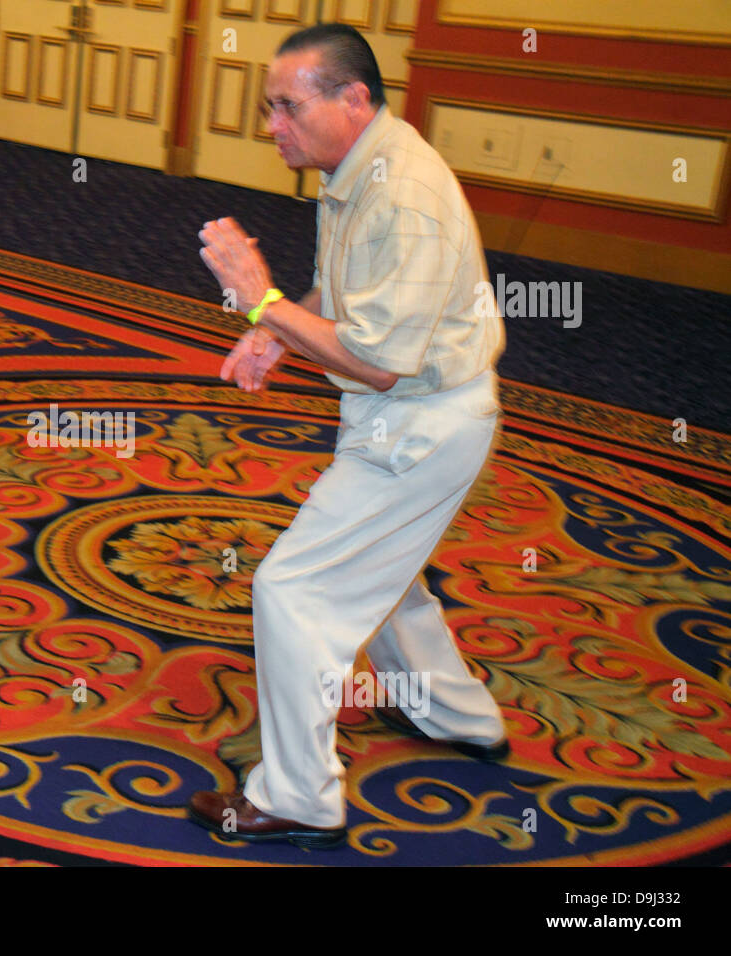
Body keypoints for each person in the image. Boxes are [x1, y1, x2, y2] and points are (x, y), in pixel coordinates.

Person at [188, 23, 508, 848]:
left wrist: (259, 300)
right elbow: (346, 297)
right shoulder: (359, 168)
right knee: (388, 577)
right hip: (415, 414)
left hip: (418, 426)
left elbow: (378, 364)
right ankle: (460, 715)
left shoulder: (402, 193)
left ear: (353, 98)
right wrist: (278, 334)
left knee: (292, 590)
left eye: (287, 107)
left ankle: (299, 796)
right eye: (269, 109)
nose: (272, 127)